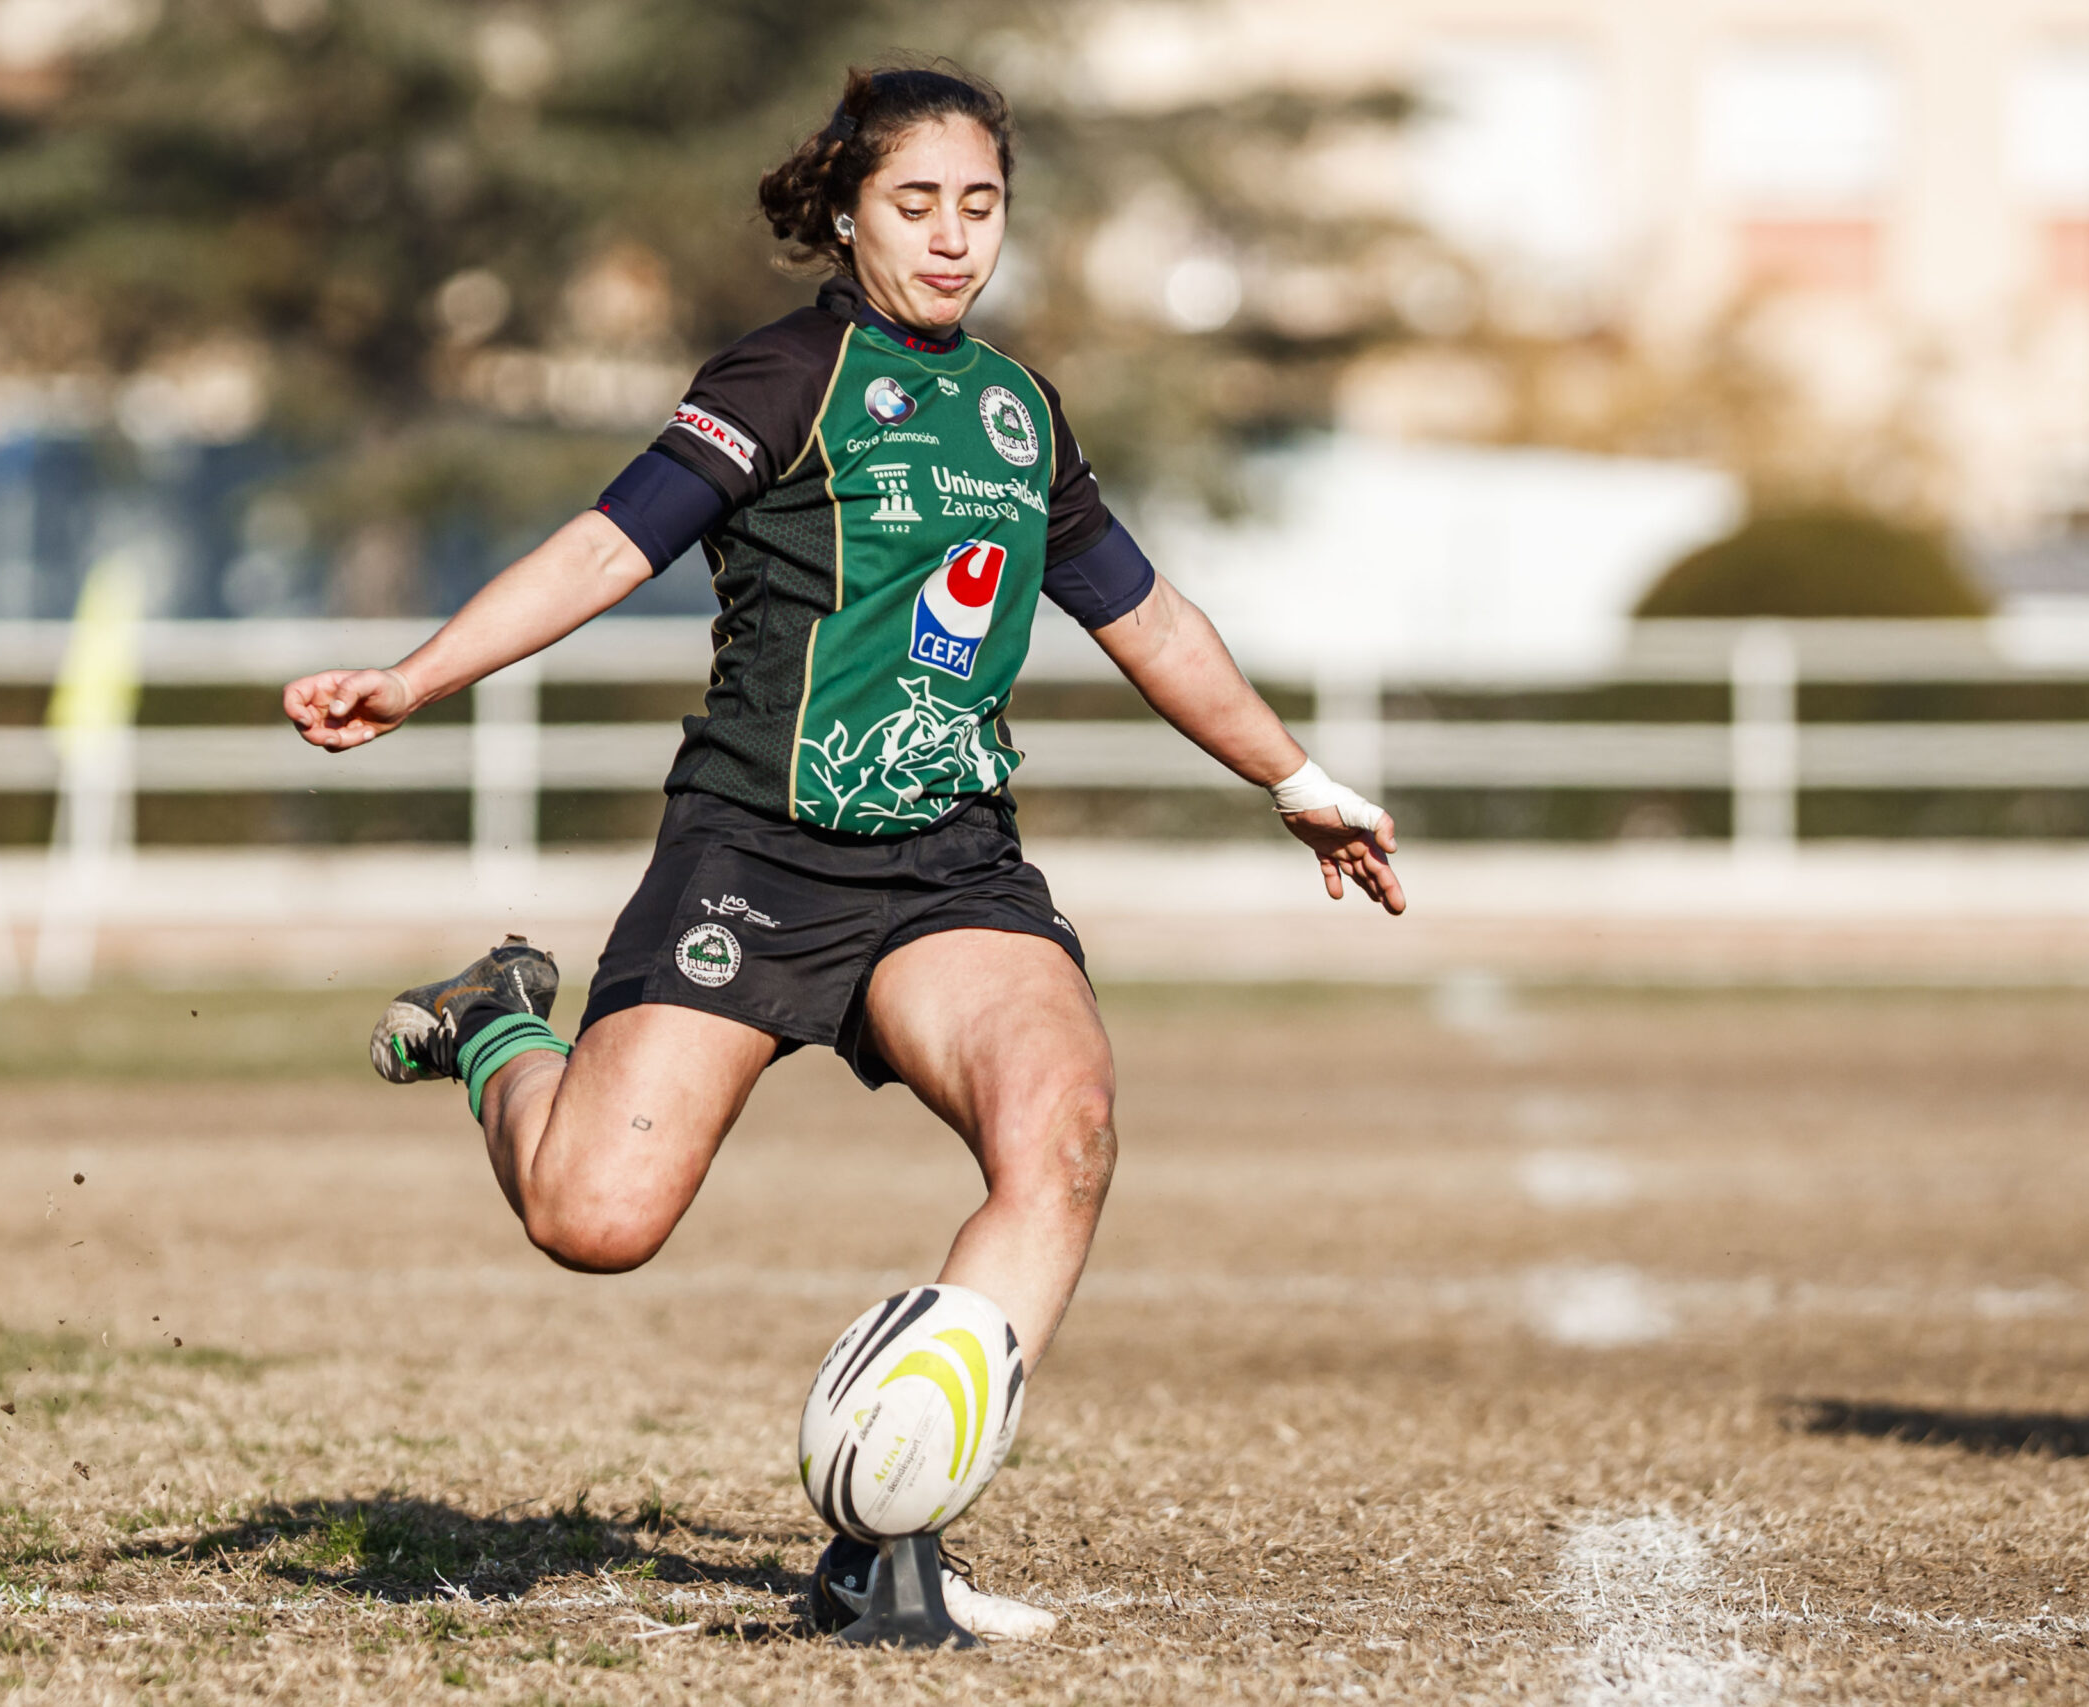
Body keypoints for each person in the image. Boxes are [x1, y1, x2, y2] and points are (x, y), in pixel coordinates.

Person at [282, 62, 1403, 1640]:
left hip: (951, 870)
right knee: (592, 1220)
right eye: (916, 203)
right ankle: (495, 1025)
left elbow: (1148, 617)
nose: (953, 239)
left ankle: (891, 1538)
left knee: (1062, 1135)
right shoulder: (782, 377)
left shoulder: (1019, 413)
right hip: (757, 850)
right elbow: (611, 542)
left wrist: (1299, 781)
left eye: (981, 205)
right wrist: (418, 678)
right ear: (848, 209)